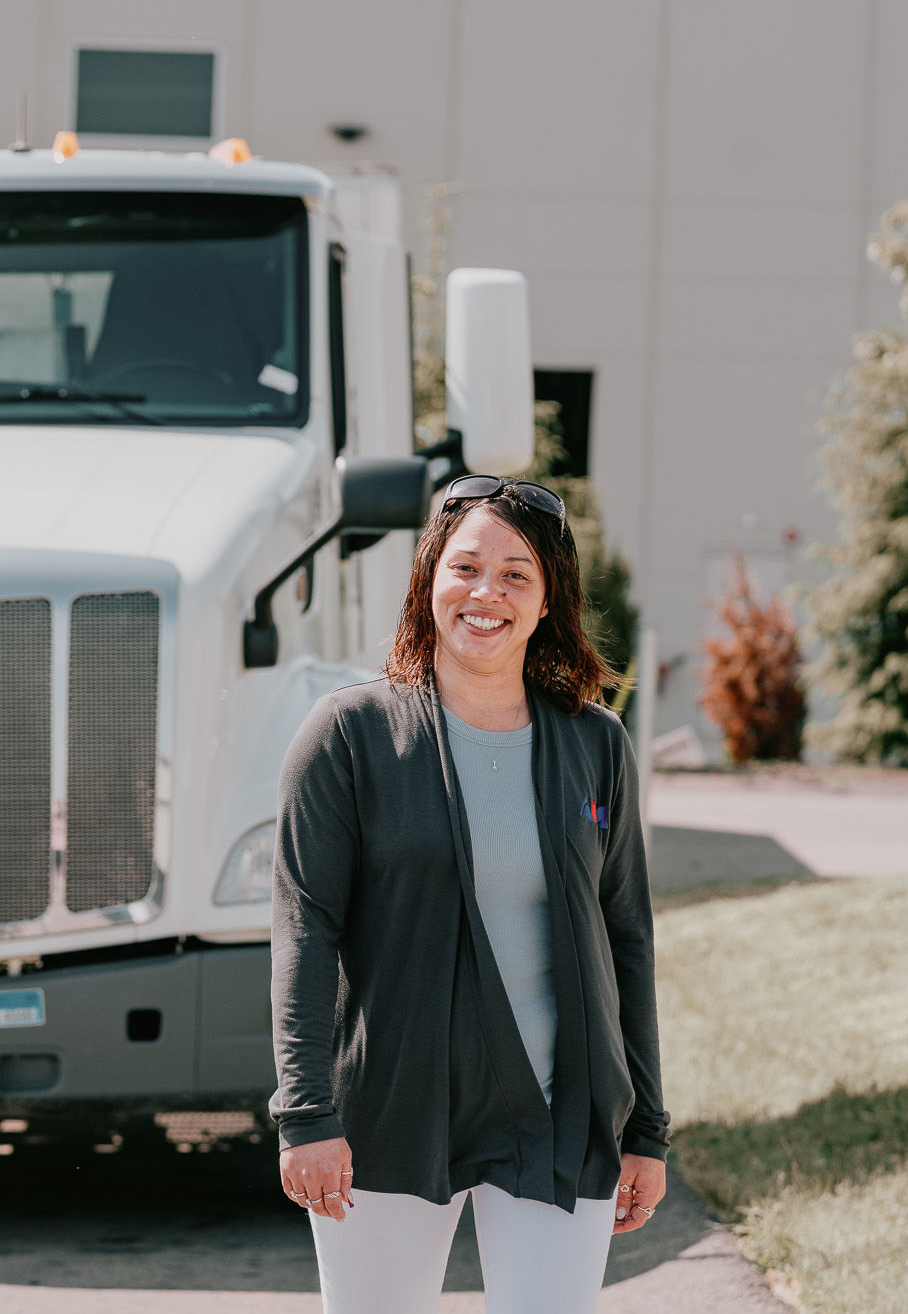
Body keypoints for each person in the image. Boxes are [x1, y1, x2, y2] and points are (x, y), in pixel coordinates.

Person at [269, 475, 668, 1313]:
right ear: (428, 579)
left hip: (561, 1114)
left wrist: (646, 1130)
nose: (487, 593)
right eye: (466, 568)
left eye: (517, 573)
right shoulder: (351, 735)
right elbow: (306, 928)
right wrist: (305, 1113)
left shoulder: (596, 743)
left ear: (549, 597)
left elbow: (626, 935)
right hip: (391, 1112)